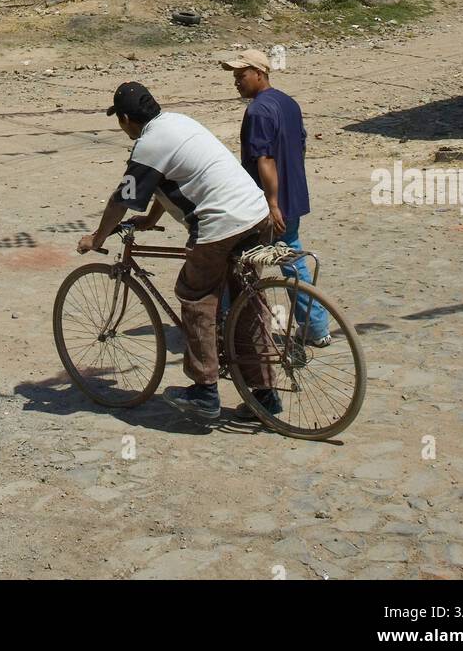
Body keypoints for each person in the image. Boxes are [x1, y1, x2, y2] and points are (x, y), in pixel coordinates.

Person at [77, 81, 277, 423]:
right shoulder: (178, 122)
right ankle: (265, 395)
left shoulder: (148, 145)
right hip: (256, 213)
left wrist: (97, 238)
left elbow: (121, 198)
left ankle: (204, 390)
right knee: (245, 302)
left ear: (125, 118)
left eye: (119, 120)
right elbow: (173, 177)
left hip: (222, 224)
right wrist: (151, 218)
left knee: (195, 295)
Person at [220, 48, 330, 347]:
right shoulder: (288, 103)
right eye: (234, 77)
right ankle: (316, 328)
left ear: (259, 74)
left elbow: (264, 159)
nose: (236, 82)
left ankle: (231, 330)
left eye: (241, 76)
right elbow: (300, 146)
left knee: (233, 259)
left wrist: (271, 203)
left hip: (268, 205)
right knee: (292, 261)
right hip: (293, 198)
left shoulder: (257, 111)